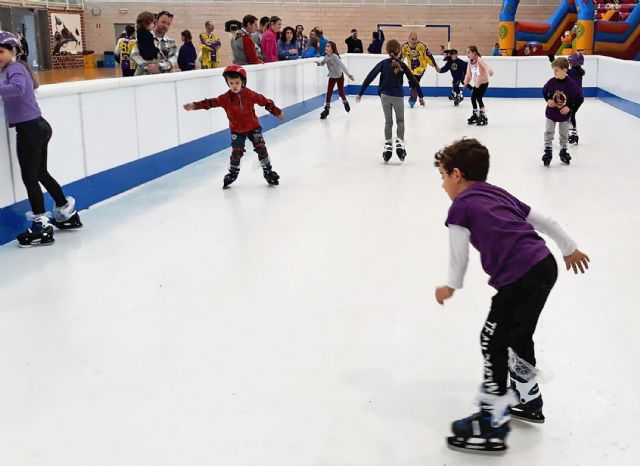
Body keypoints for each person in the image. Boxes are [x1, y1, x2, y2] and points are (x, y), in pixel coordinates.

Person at [433, 138, 590, 453]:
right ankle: (529, 399)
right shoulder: (496, 193)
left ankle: (492, 421)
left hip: (519, 276)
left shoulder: (460, 207)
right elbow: (545, 221)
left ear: (458, 174)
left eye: (443, 177)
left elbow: (458, 257)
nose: (443, 185)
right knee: (517, 335)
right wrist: (569, 248)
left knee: (491, 339)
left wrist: (450, 286)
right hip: (543, 266)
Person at [0, 31, 83, 247]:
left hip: (30, 130)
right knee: (40, 173)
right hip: (38, 126)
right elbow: (29, 87)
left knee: (30, 177)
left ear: (13, 51)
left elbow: (18, 89)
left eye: (0, 51)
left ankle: (41, 225)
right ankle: (66, 212)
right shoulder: (16, 68)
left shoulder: (15, 68)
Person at [183, 65, 285, 189]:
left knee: (261, 148)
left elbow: (264, 101)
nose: (234, 86)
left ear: (243, 82)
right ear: (228, 83)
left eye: (237, 82)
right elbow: (210, 102)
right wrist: (194, 106)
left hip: (254, 127)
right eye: (231, 83)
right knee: (237, 152)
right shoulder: (225, 98)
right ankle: (232, 173)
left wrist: (276, 111)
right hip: (237, 130)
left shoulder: (249, 94)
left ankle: (268, 171)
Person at [355, 39, 424, 163]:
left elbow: (371, 76)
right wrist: (421, 96)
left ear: (387, 50)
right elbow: (413, 80)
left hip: (385, 96)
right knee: (400, 121)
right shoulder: (402, 65)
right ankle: (399, 143)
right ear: (399, 51)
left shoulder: (383, 63)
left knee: (388, 121)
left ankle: (388, 144)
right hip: (397, 96)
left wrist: (361, 92)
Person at [542, 57, 583, 166]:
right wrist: (548, 100)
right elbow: (544, 91)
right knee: (549, 132)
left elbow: (579, 97)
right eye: (553, 70)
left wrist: (569, 106)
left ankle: (563, 151)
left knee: (564, 134)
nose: (554, 73)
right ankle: (548, 150)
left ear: (564, 70)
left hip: (564, 115)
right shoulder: (551, 82)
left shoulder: (571, 84)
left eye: (556, 70)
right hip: (551, 113)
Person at [132, 10, 178, 75]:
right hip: (143, 79)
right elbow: (134, 54)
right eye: (163, 22)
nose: (166, 26)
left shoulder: (172, 42)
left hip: (162, 81)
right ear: (156, 21)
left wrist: (159, 67)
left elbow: (173, 59)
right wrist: (148, 67)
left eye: (168, 24)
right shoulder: (143, 36)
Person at [317, 41, 354, 119]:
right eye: (326, 46)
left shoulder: (335, 56)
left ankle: (345, 103)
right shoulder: (326, 56)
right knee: (329, 93)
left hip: (339, 76)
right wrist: (319, 63)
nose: (326, 47)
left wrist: (349, 75)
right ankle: (327, 109)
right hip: (332, 77)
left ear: (332, 49)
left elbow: (342, 65)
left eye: (328, 46)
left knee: (341, 93)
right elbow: (323, 62)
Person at [401, 32, 438, 108]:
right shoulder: (404, 47)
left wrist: (435, 65)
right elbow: (400, 57)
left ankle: (414, 98)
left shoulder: (422, 46)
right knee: (412, 83)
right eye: (412, 39)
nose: (414, 41)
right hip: (410, 68)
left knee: (414, 81)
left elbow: (429, 56)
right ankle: (417, 98)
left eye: (416, 39)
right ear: (408, 38)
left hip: (421, 67)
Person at [463, 45, 493, 126]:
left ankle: (483, 114)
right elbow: (468, 73)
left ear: (474, 53)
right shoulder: (470, 61)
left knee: (479, 98)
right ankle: (475, 114)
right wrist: (466, 82)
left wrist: (490, 71)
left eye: (469, 52)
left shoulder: (479, 60)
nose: (467, 54)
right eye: (467, 52)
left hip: (483, 82)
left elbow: (486, 66)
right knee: (473, 97)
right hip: (477, 83)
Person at [567, 52, 585, 145]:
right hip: (579, 98)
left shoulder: (571, 72)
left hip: (573, 98)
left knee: (569, 115)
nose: (569, 64)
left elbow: (560, 70)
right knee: (572, 114)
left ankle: (572, 134)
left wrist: (552, 60)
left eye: (570, 62)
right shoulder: (580, 72)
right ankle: (573, 133)